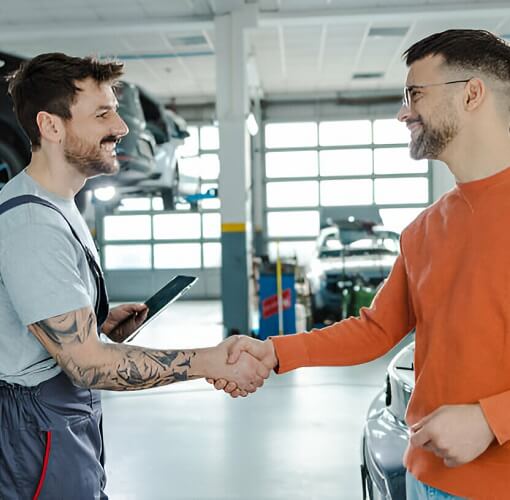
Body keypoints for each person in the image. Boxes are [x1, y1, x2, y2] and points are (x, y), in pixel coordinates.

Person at [215, 29, 510, 499]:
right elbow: (375, 329)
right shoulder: (423, 230)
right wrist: (274, 352)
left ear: (472, 94)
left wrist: (490, 420)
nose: (403, 112)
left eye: (415, 93)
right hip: (424, 478)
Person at [0, 53, 270, 499]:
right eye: (103, 113)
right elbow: (86, 364)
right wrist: (206, 361)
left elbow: (36, 319)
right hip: (37, 435)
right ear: (51, 126)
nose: (121, 128)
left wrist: (95, 322)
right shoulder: (33, 223)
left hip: (59, 427)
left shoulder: (57, 203)